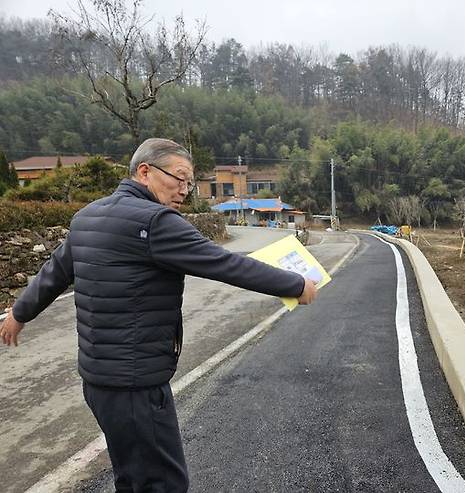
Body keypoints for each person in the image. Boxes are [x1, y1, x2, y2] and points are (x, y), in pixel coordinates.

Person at [0, 138, 318, 492]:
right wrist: (295, 284)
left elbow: (53, 274)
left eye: (189, 182)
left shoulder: (88, 216)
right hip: (137, 386)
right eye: (178, 178)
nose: (184, 190)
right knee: (162, 483)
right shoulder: (156, 222)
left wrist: (19, 313)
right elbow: (225, 263)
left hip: (98, 382)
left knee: (131, 476)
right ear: (145, 171)